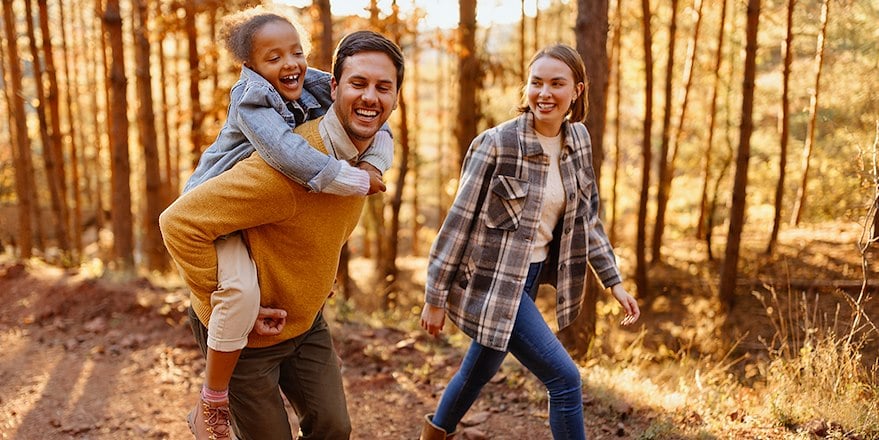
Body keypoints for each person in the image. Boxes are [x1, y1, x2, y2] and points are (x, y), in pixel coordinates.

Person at [160, 29, 404, 440]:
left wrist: (317, 280)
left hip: (306, 324)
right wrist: (228, 305)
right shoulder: (284, 173)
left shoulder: (366, 163)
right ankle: (209, 405)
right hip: (248, 337)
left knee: (333, 428)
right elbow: (178, 223)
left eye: (384, 87)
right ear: (334, 86)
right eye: (358, 83)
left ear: (396, 96)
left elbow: (326, 230)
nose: (370, 97)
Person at [419, 44, 640, 440]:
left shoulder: (580, 142)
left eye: (557, 84)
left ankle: (434, 435)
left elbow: (587, 216)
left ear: (577, 90)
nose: (544, 93)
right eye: (536, 82)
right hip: (494, 281)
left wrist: (614, 281)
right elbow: (458, 222)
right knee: (565, 379)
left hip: (533, 274)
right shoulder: (498, 143)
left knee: (480, 369)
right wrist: (435, 296)